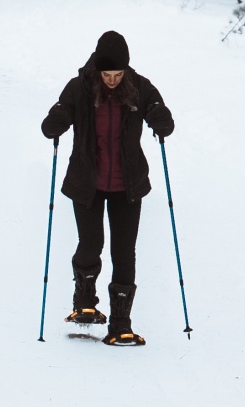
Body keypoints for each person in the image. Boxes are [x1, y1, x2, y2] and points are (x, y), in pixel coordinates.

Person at [40, 29, 174, 345]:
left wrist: (159, 117)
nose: (112, 80)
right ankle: (84, 303)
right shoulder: (80, 89)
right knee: (91, 243)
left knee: (124, 252)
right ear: (97, 69)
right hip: (88, 182)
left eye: (117, 74)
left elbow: (165, 119)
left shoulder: (140, 88)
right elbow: (51, 125)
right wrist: (57, 119)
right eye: (107, 74)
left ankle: (121, 324)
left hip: (128, 185)